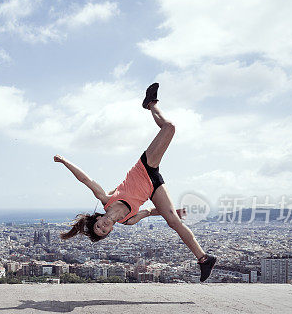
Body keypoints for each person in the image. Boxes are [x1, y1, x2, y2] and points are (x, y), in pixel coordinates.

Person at [54, 83, 218, 282]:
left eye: (98, 227)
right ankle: (204, 259)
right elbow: (149, 211)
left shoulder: (106, 198)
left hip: (144, 168)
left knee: (170, 128)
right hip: (153, 186)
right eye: (104, 231)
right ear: (110, 231)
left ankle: (151, 103)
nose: (103, 227)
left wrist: (64, 161)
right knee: (174, 221)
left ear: (97, 219)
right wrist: (174, 211)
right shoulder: (128, 220)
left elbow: (85, 179)